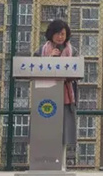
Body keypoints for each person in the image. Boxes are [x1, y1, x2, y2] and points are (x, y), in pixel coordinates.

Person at [33, 19, 79, 148]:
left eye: (63, 34)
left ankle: (62, 155)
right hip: (45, 95)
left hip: (66, 96)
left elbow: (77, 70)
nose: (60, 37)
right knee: (46, 130)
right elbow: (34, 67)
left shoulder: (73, 51)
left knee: (64, 130)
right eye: (57, 33)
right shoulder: (41, 51)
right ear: (51, 34)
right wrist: (49, 59)